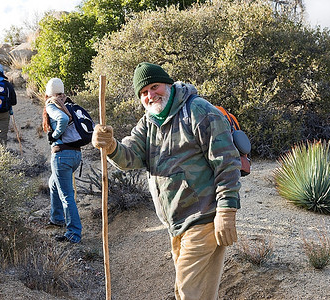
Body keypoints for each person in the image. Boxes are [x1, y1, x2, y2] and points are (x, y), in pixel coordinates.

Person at [92, 62, 242, 300]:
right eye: (143, 92)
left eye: (155, 87)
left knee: (188, 293)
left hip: (203, 218)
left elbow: (227, 161)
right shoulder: (149, 122)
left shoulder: (198, 111)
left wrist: (227, 210)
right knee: (198, 294)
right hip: (175, 224)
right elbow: (129, 155)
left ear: (168, 85)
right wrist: (110, 145)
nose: (150, 95)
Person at [42, 78, 82, 244]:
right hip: (75, 155)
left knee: (67, 196)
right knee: (53, 183)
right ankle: (57, 218)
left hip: (62, 155)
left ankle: (73, 233)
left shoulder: (52, 104)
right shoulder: (69, 103)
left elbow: (63, 120)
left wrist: (54, 135)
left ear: (47, 94)